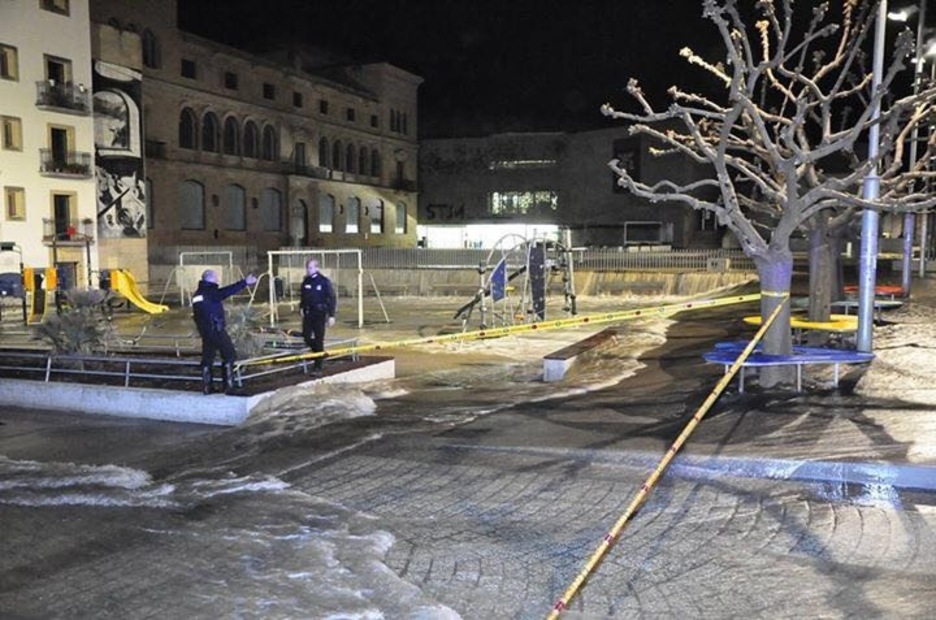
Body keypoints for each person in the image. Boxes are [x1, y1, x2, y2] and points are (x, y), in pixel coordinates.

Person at [192, 269, 258, 394]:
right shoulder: (210, 291)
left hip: (205, 331)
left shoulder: (197, 294)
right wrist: (245, 282)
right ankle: (228, 386)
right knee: (230, 354)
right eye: (216, 276)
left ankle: (207, 387)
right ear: (210, 278)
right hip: (216, 329)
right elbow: (226, 292)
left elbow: (197, 314)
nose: (218, 279)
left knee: (208, 358)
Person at [299, 259, 337, 374]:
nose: (308, 270)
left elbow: (332, 298)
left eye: (310, 267)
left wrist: (331, 315)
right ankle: (319, 354)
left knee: (319, 338)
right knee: (306, 336)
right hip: (308, 313)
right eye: (307, 267)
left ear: (317, 268)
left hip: (319, 313)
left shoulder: (324, 281)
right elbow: (303, 296)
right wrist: (301, 307)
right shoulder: (306, 281)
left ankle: (318, 366)